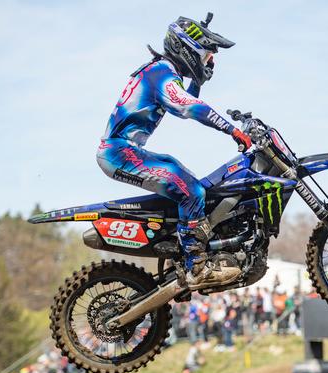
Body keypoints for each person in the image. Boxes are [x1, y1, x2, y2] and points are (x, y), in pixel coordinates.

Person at [96, 14, 252, 287]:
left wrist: (198, 80)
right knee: (191, 191)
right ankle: (196, 267)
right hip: (119, 153)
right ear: (187, 48)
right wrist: (231, 130)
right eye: (206, 56)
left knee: (184, 176)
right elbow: (188, 107)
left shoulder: (161, 71)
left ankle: (180, 250)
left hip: (125, 151)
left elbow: (183, 102)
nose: (208, 62)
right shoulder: (161, 73)